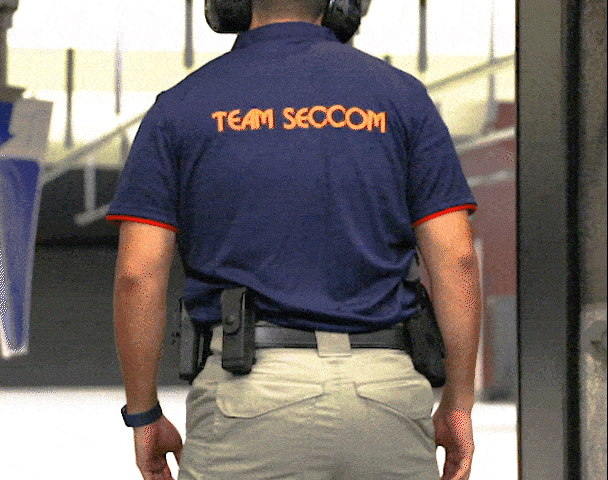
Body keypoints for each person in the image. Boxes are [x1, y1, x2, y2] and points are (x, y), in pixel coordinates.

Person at [107, 1, 481, 479]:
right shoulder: (402, 99)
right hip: (385, 399)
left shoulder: (182, 106)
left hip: (249, 402)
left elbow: (137, 275)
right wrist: (458, 404)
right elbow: (457, 260)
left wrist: (144, 414)